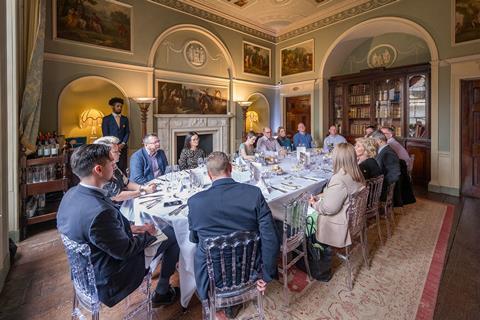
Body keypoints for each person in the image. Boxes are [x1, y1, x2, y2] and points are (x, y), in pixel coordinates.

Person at [57, 144, 180, 308]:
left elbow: (101, 233)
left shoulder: (71, 194)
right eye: (111, 162)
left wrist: (133, 228)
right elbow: (125, 251)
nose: (114, 164)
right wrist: (148, 234)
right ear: (98, 170)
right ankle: (162, 291)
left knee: (160, 232)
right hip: (110, 279)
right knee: (172, 234)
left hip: (84, 271)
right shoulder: (99, 212)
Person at [188, 151, 279, 316]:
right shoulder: (254, 194)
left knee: (198, 249)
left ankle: (207, 298)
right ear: (230, 168)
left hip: (212, 277)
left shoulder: (195, 202)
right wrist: (266, 275)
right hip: (249, 270)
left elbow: (193, 238)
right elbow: (270, 237)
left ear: (209, 175)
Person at [309, 143, 365, 280]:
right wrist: (320, 197)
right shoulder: (356, 173)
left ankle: (318, 267)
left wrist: (314, 204)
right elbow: (337, 195)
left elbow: (328, 208)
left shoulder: (339, 179)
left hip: (340, 226)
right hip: (354, 221)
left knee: (303, 219)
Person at [93, 136, 156, 202]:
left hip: (123, 202)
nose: (119, 153)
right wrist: (144, 191)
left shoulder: (114, 165)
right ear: (104, 154)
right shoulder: (101, 170)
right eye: (116, 151)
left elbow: (127, 183)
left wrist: (143, 187)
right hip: (112, 208)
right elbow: (117, 196)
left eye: (119, 151)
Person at [102, 97, 130, 172]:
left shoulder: (125, 119)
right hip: (112, 149)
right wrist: (114, 146)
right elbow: (105, 135)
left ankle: (123, 183)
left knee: (123, 167)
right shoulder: (106, 119)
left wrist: (123, 143)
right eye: (118, 106)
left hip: (123, 148)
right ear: (113, 107)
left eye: (121, 106)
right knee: (112, 167)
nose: (120, 108)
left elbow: (127, 132)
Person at [371, 130, 401, 200]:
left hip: (383, 188)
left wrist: (381, 185)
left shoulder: (388, 153)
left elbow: (395, 174)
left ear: (379, 141)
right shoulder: (382, 150)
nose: (371, 143)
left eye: (372, 141)